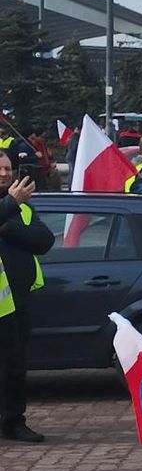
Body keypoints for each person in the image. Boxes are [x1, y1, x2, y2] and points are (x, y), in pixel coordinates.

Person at [0, 155, 53, 444]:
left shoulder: (21, 206)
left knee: (15, 366)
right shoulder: (12, 203)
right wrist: (9, 206)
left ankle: (13, 422)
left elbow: (44, 240)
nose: (5, 173)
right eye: (0, 169)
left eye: (8, 168)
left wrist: (8, 227)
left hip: (15, 301)